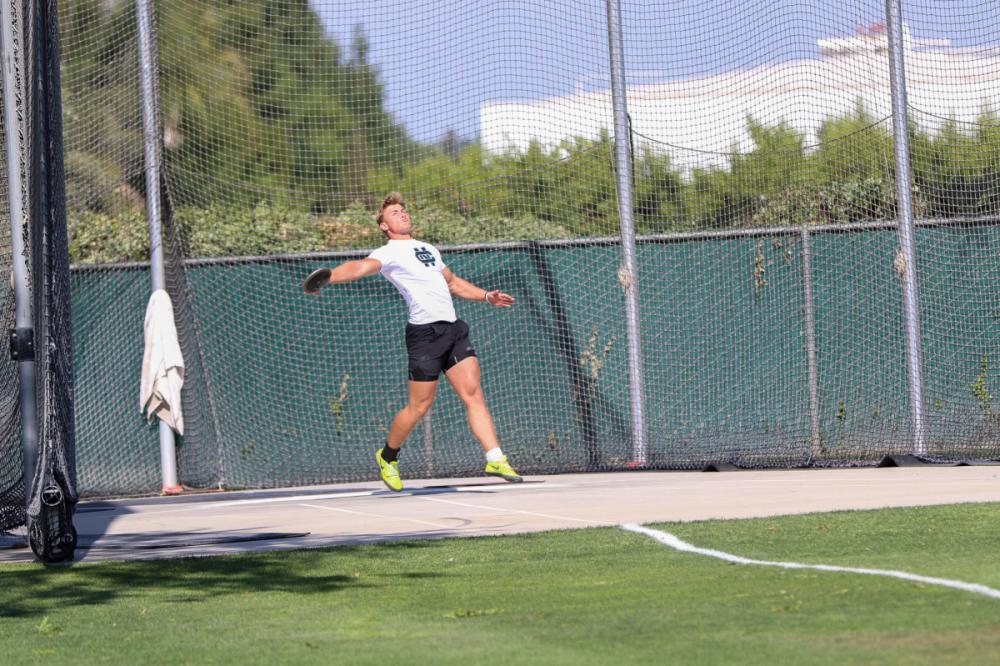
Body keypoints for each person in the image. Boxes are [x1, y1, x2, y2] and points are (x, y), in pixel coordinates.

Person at [305, 192, 522, 491]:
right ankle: (388, 455)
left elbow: (453, 282)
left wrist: (486, 296)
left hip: (454, 330)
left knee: (473, 394)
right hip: (425, 336)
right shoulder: (388, 252)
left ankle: (495, 456)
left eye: (404, 210)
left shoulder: (428, 248)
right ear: (384, 225)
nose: (403, 214)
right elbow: (358, 267)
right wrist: (328, 277)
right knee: (419, 407)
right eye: (395, 212)